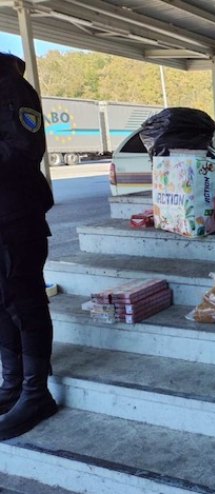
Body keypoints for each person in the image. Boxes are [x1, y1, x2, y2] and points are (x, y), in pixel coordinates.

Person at [0, 52, 57, 439]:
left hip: (14, 216)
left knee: (24, 301)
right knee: (0, 305)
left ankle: (36, 393)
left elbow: (24, 148)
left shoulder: (9, 85)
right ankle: (12, 384)